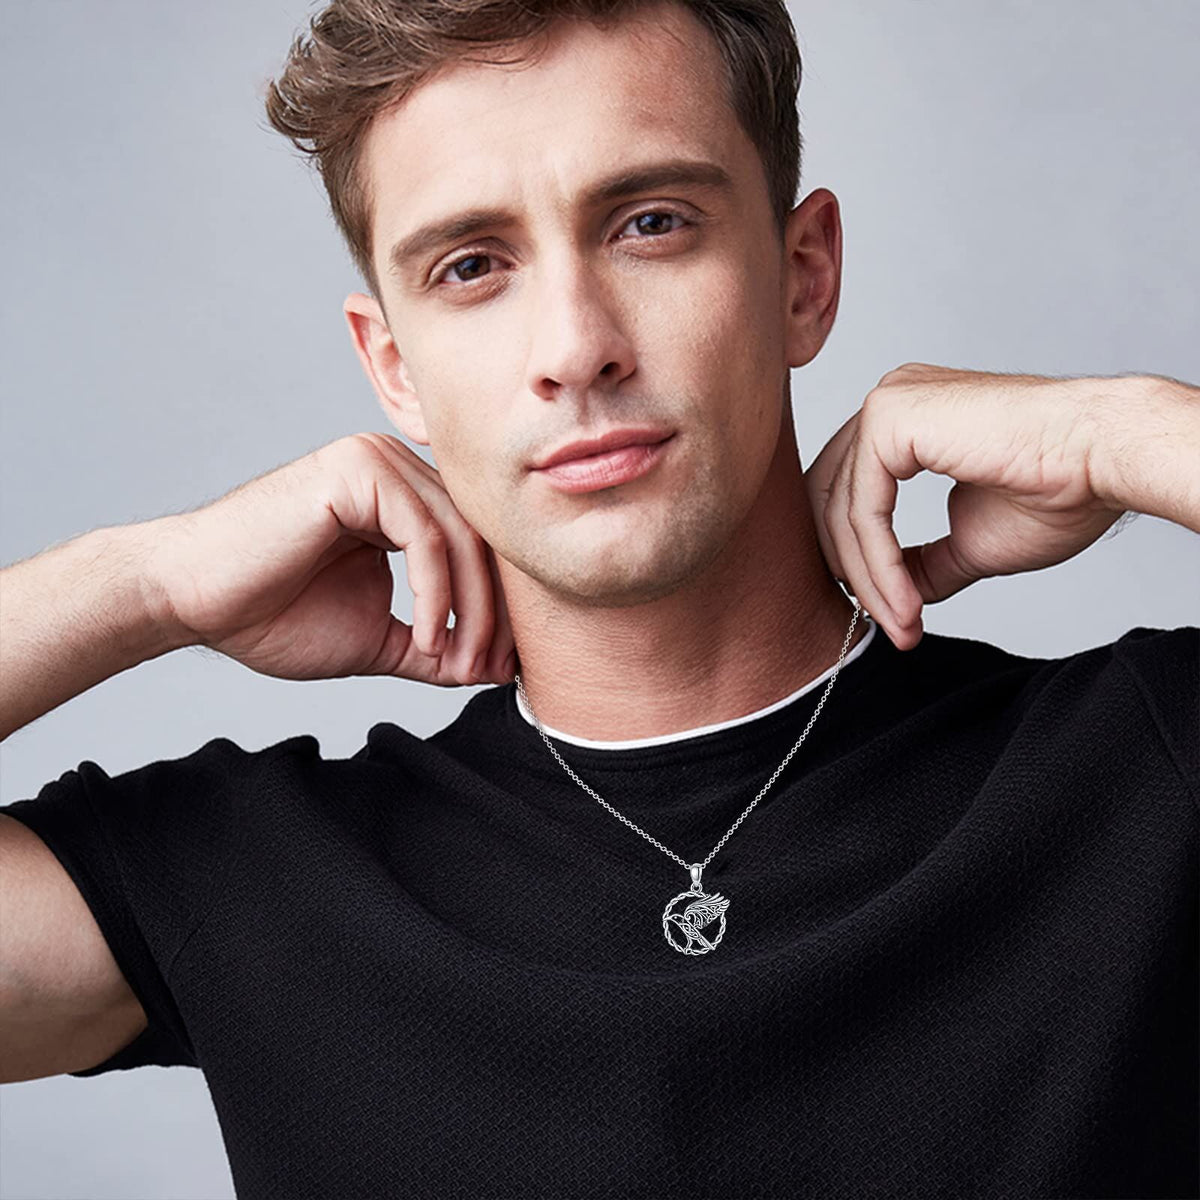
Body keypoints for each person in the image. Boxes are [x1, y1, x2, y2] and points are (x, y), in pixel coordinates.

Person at [1, 0, 1196, 1196]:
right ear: (394, 370)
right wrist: (150, 583)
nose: (576, 348)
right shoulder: (268, 882)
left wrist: (1121, 430)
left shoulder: (1147, 770)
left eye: (651, 223)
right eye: (472, 266)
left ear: (804, 276)